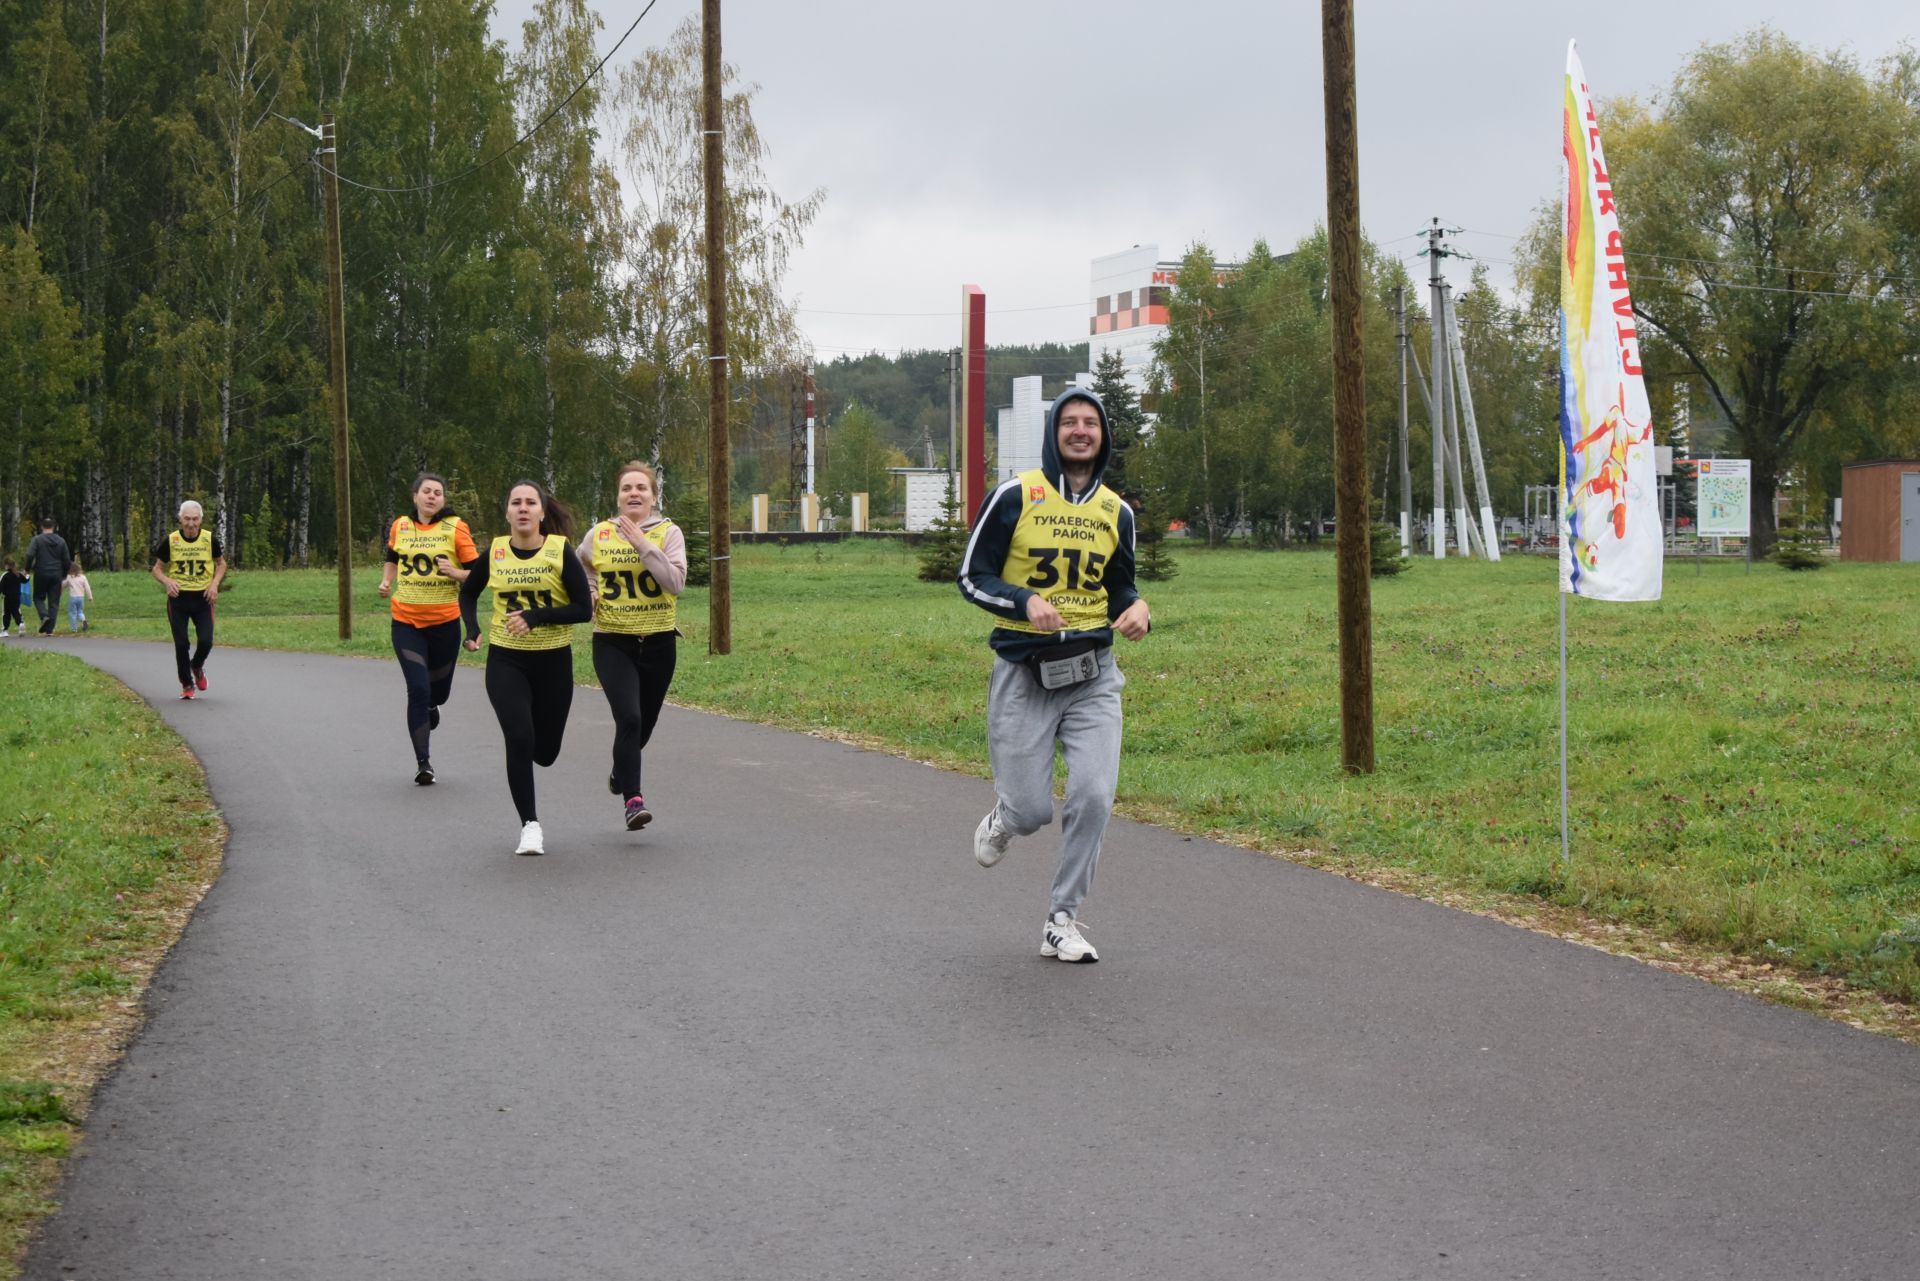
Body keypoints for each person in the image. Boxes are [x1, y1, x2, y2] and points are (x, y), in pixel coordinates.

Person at [957, 388, 1152, 963]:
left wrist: (1138, 606)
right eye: (1069, 422)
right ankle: (1006, 817)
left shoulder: (1117, 512)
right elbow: (972, 575)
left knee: (1093, 795)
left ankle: (1061, 919)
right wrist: (1022, 602)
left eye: (1090, 423)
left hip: (1094, 674)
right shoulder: (1016, 497)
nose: (1080, 431)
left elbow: (1120, 584)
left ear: (1103, 436)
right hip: (1025, 672)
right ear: (1053, 432)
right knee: (1033, 810)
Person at [456, 481, 592, 856]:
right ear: (507, 512)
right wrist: (473, 628)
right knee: (518, 736)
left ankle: (533, 749)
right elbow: (468, 591)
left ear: (542, 512)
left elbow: (584, 609)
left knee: (545, 751)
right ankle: (530, 825)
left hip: (553, 660)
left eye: (530, 502)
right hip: (506, 659)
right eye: (516, 503)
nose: (523, 508)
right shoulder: (496, 550)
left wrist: (536, 616)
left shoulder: (559, 551)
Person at [577, 461, 687, 832]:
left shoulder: (670, 534)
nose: (634, 494)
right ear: (618, 497)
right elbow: (584, 569)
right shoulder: (599, 534)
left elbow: (675, 583)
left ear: (654, 497)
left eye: (642, 488)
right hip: (612, 641)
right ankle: (633, 802)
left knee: (646, 723)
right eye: (627, 489)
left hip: (658, 642)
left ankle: (620, 767)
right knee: (630, 717)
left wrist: (642, 543)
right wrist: (590, 593)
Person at [378, 473, 480, 785]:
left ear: (443, 500)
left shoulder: (455, 527)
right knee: (417, 689)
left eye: (438, 492)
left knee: (438, 693)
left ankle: (434, 704)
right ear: (416, 496)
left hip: (445, 623)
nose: (432, 497)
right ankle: (424, 763)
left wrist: (455, 572)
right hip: (406, 622)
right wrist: (387, 580)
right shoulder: (401, 526)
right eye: (426, 491)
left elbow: (478, 574)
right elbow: (392, 556)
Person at [151, 500, 227, 700]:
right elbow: (157, 569)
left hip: (203, 598)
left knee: (206, 641)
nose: (191, 524)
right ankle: (187, 684)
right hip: (178, 599)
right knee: (182, 643)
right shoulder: (172, 540)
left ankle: (197, 665)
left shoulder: (209, 539)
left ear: (201, 520)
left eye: (194, 519)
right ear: (180, 519)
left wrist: (214, 584)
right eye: (187, 519)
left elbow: (221, 564)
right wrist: (167, 581)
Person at [26, 519, 72, 636]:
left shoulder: (37, 540)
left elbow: (30, 554)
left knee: (38, 597)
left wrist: (27, 568)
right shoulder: (61, 541)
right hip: (56, 574)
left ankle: (44, 616)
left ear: (42, 527)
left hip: (41, 573)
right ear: (54, 527)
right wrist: (64, 574)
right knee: (54, 602)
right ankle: (49, 630)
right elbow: (67, 560)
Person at [64, 562, 93, 633]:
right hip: (81, 598)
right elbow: (87, 588)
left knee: (72, 613)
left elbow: (63, 585)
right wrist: (90, 597)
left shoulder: (69, 577)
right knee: (80, 611)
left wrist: (59, 591)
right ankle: (83, 620)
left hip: (73, 598)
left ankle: (74, 628)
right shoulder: (83, 577)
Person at [0, 559, 25, 637]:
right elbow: (25, 580)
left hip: (7, 597)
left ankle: (5, 630)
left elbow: (1, 586)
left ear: (7, 566)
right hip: (17, 597)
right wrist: (27, 576)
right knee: (16, 611)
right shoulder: (18, 574)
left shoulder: (5, 575)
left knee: (6, 614)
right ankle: (20, 623)